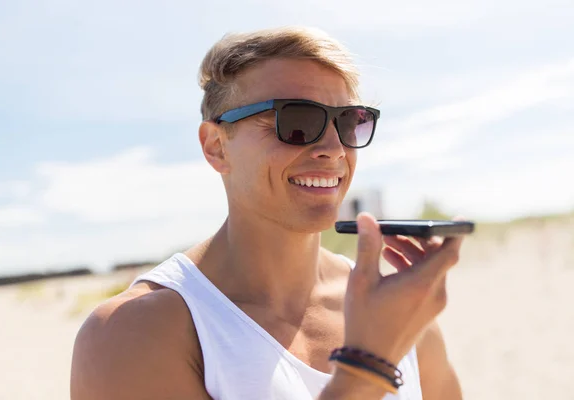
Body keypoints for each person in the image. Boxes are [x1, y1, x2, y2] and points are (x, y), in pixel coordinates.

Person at [71, 27, 465, 400]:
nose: (333, 147)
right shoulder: (134, 332)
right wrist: (366, 369)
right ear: (216, 147)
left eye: (349, 122)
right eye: (296, 121)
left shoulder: (396, 311)